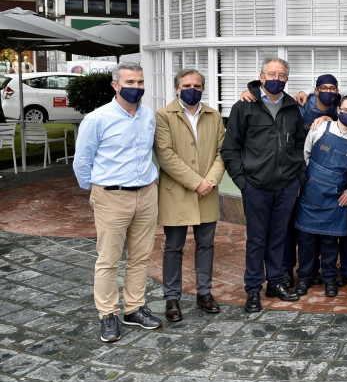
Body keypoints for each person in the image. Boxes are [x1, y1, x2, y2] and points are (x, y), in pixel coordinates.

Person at [73, 62, 162, 342]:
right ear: (115, 85)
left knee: (140, 256)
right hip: (111, 195)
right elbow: (82, 162)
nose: (136, 87)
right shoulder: (97, 119)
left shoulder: (148, 116)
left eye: (139, 82)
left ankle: (134, 308)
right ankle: (107, 314)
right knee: (108, 260)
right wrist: (98, 191)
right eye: (130, 82)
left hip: (146, 194)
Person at [220, 57, 306, 312]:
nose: (276, 79)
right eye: (272, 74)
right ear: (261, 75)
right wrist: (241, 180)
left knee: (279, 237)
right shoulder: (243, 106)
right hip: (255, 186)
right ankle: (253, 289)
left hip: (286, 186)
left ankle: (276, 283)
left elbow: (300, 145)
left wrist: (298, 177)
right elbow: (230, 147)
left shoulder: (292, 108)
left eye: (281, 76)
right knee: (257, 239)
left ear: (287, 79)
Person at [154, 68, 226, 323]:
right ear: (176, 88)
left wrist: (211, 181)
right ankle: (172, 297)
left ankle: (204, 293)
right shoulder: (163, 116)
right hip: (178, 192)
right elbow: (165, 155)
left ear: (203, 88)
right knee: (174, 247)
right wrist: (196, 183)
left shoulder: (214, 116)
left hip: (207, 189)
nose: (192, 90)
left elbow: (222, 152)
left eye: (197, 85)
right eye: (186, 85)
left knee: (206, 245)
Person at [295, 95, 347, 298]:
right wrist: (302, 183)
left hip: (336, 197)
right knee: (305, 241)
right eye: (346, 110)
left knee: (331, 243)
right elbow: (305, 155)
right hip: (310, 193)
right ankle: (304, 278)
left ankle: (329, 279)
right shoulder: (321, 128)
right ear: (338, 110)